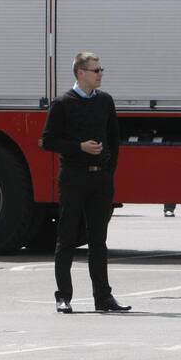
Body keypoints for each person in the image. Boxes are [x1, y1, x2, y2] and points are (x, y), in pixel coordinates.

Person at [42, 52, 130, 314]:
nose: (100, 74)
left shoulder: (105, 101)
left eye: (101, 69)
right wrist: (79, 147)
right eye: (96, 70)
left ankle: (103, 298)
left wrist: (108, 171)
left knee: (98, 240)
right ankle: (63, 296)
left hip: (100, 179)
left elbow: (114, 140)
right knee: (67, 237)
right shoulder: (62, 103)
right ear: (81, 73)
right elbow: (48, 141)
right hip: (73, 177)